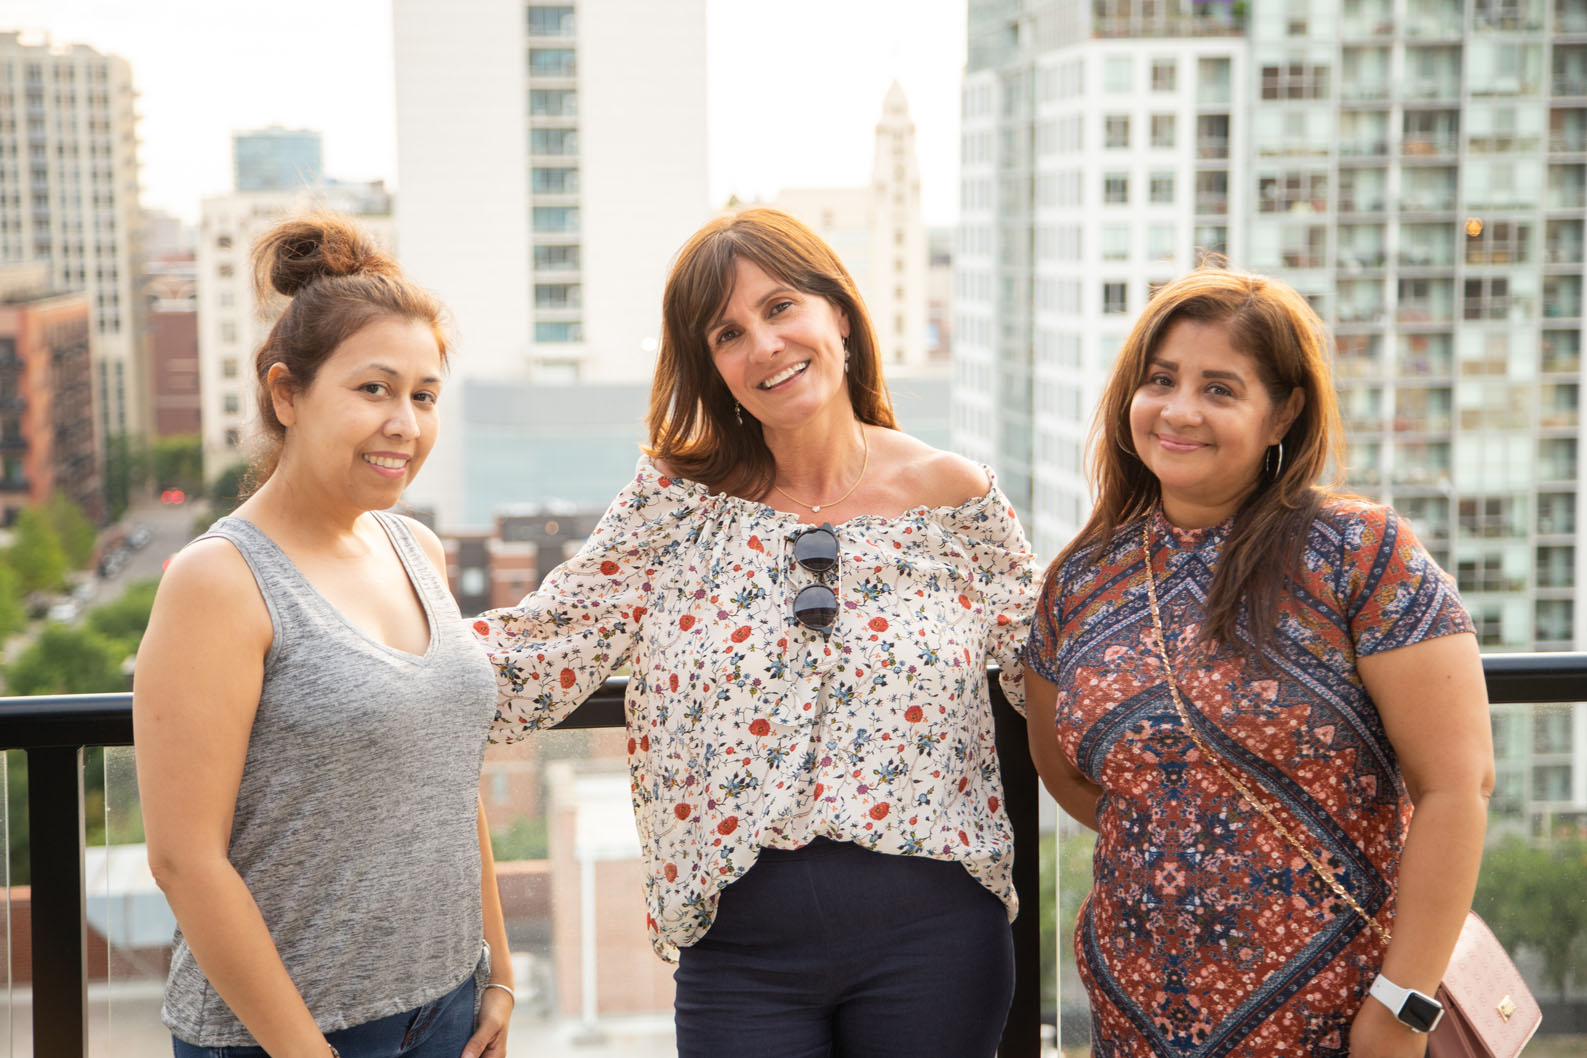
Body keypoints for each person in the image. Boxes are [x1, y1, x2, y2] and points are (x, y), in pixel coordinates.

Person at [472, 208, 1036, 1057]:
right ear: (712, 367)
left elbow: (1059, 673)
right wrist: (340, 651)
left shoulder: (952, 498)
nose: (763, 345)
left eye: (779, 309)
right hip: (738, 955)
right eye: (728, 333)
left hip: (936, 944)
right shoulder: (672, 502)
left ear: (837, 314)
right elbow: (541, 648)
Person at [1023, 266, 1494, 1058]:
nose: (1178, 411)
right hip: (1135, 1011)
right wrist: (1193, 836)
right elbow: (1066, 773)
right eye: (1160, 380)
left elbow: (1456, 785)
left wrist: (1399, 1004)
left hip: (1341, 1014)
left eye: (1219, 389)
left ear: (1281, 413)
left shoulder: (1359, 553)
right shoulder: (1078, 578)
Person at [134, 214, 514, 1058]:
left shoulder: (416, 548)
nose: (404, 424)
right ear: (286, 395)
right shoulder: (221, 580)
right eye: (372, 389)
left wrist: (498, 972)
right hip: (282, 1038)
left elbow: (449, 782)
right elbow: (183, 861)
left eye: (423, 395)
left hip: (447, 1007)